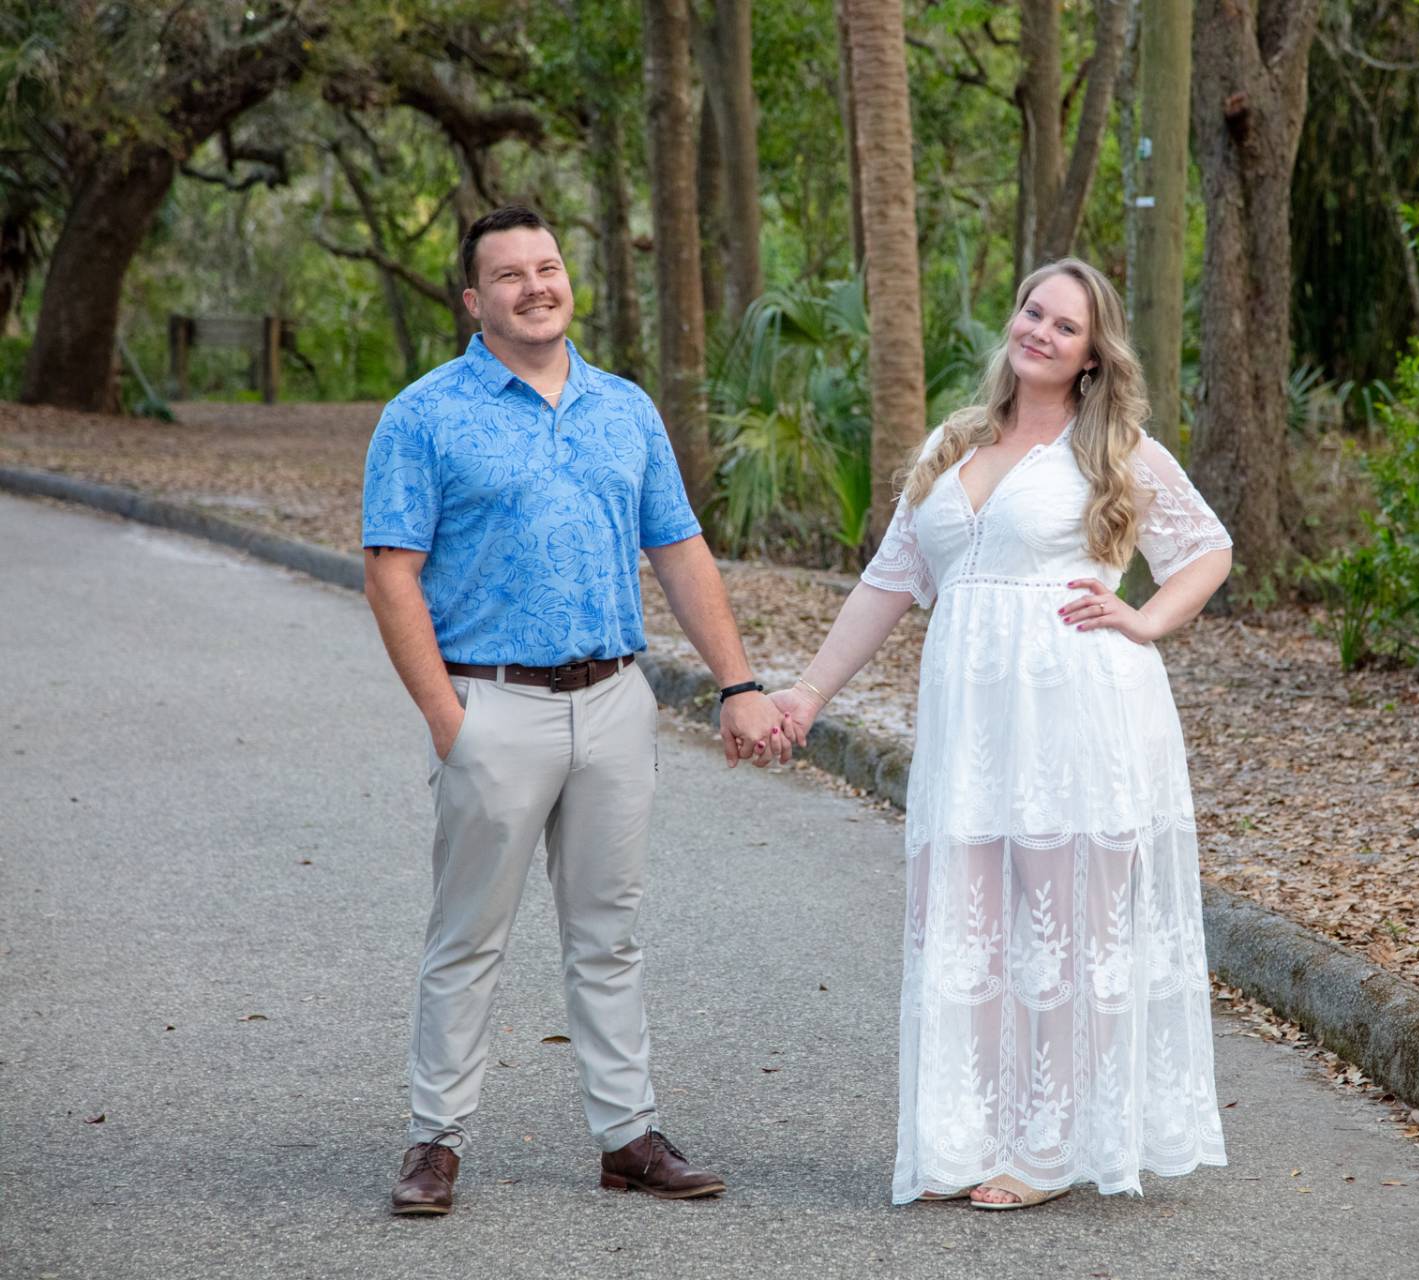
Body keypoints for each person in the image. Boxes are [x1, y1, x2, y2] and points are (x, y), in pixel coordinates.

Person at [772, 259, 1232, 1210]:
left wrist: (1144, 619)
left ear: (1093, 354)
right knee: (971, 923)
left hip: (1079, 710)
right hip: (973, 726)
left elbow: (1208, 549)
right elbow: (888, 583)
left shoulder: (1116, 450)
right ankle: (968, 1135)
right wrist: (809, 693)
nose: (1040, 333)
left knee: (1060, 929)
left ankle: (1050, 1146)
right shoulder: (954, 442)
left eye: (1065, 326)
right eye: (1032, 312)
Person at [361, 204, 789, 1216]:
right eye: (509, 275)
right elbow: (391, 572)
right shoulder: (424, 414)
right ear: (474, 300)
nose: (535, 287)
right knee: (469, 936)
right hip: (492, 703)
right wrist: (448, 719)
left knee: (609, 933)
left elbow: (678, 549)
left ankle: (628, 1137)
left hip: (613, 704)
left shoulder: (623, 409)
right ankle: (436, 1140)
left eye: (547, 267)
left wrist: (738, 684)